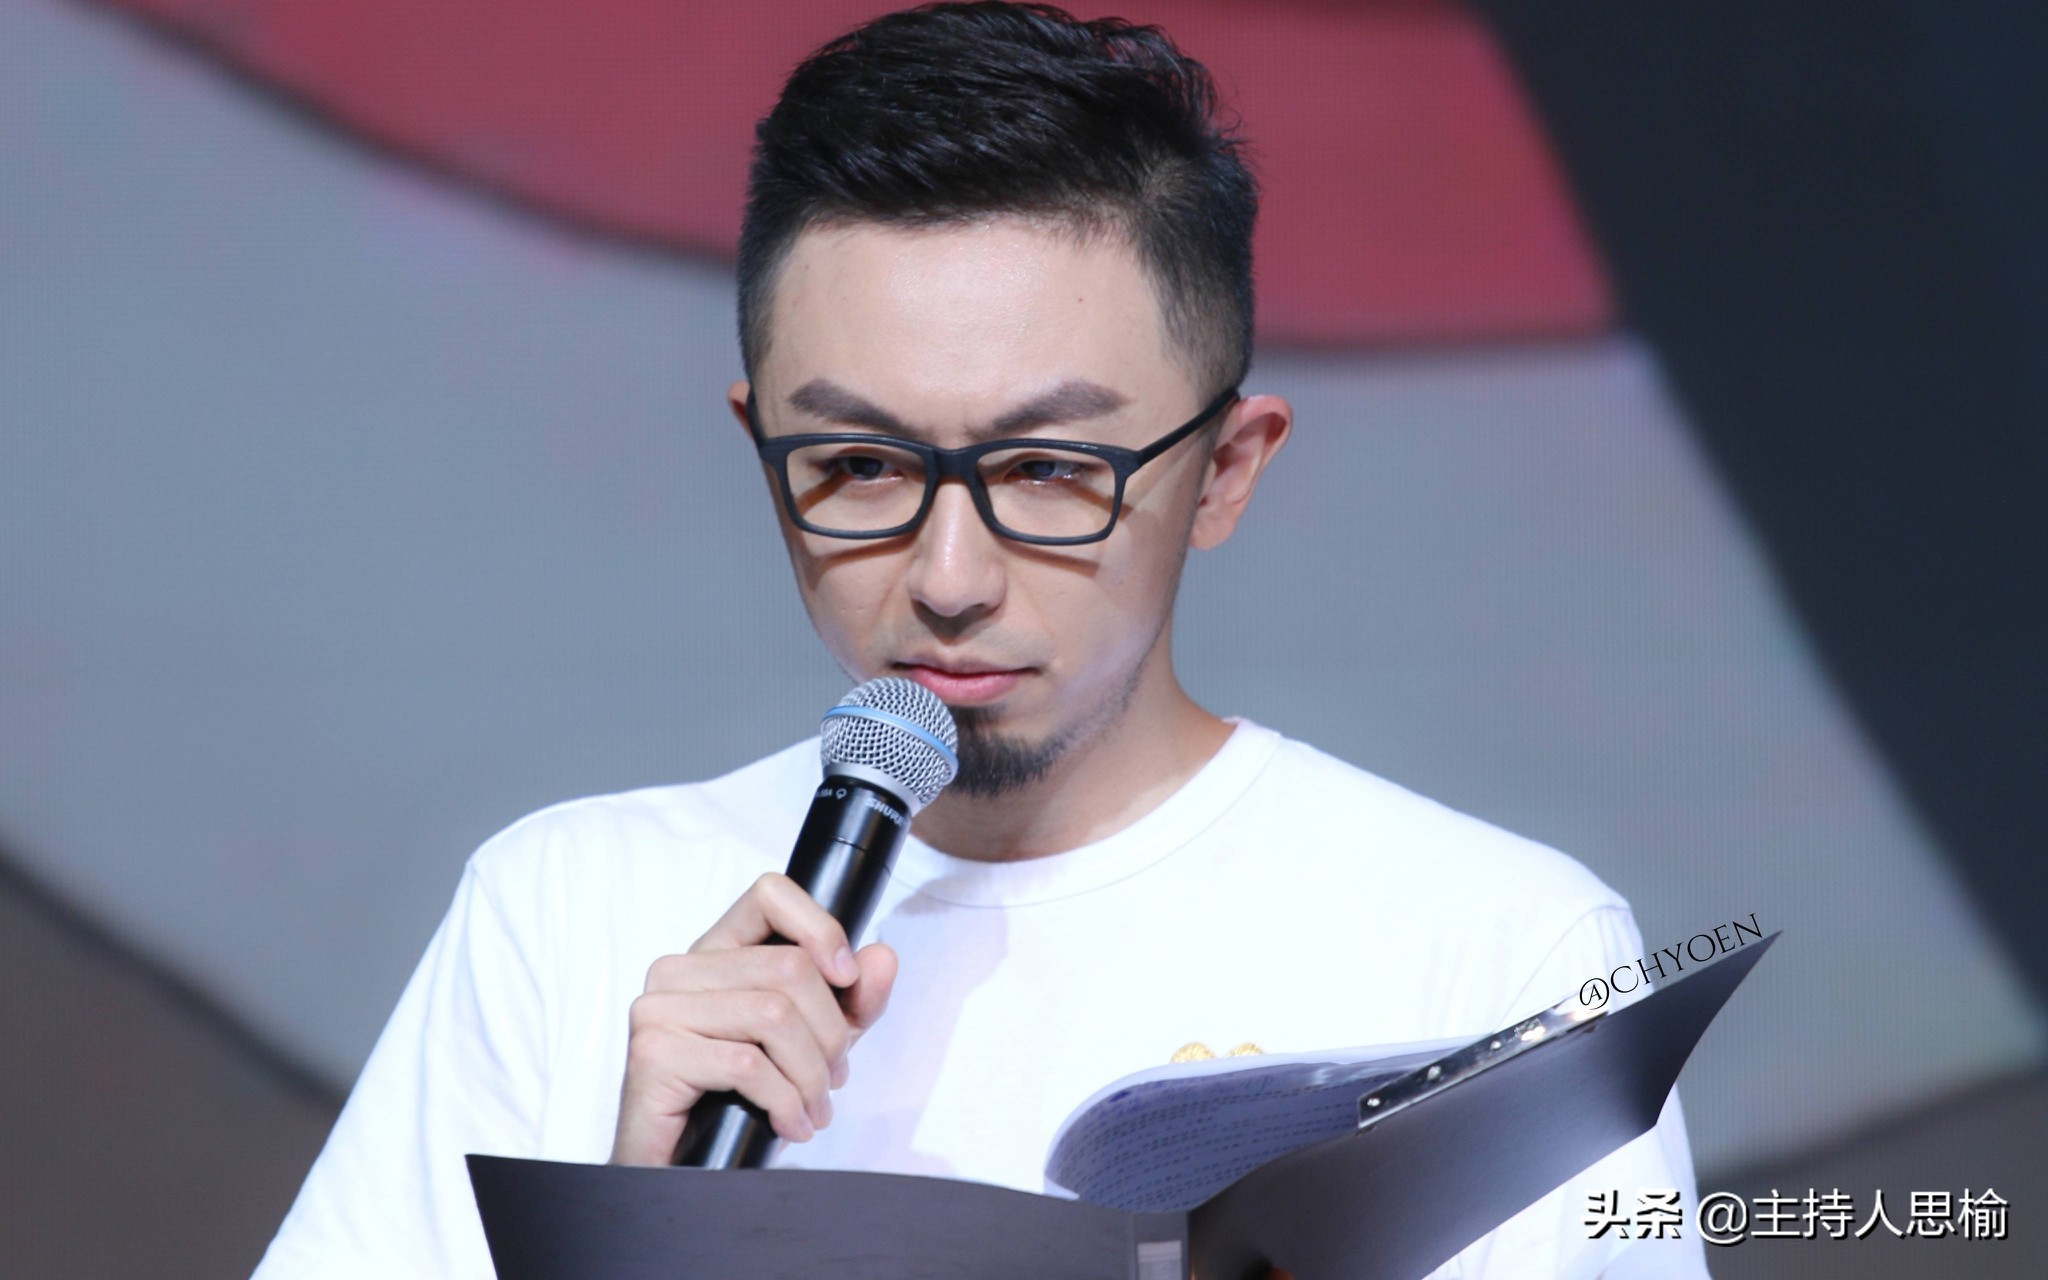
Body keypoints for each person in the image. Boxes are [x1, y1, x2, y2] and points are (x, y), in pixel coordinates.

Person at [253, 4, 1708, 1277]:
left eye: (1049, 471)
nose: (948, 579)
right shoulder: (565, 915)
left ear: (1225, 470)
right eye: (859, 465)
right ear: (760, 450)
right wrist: (628, 1237)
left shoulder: (1496, 959)